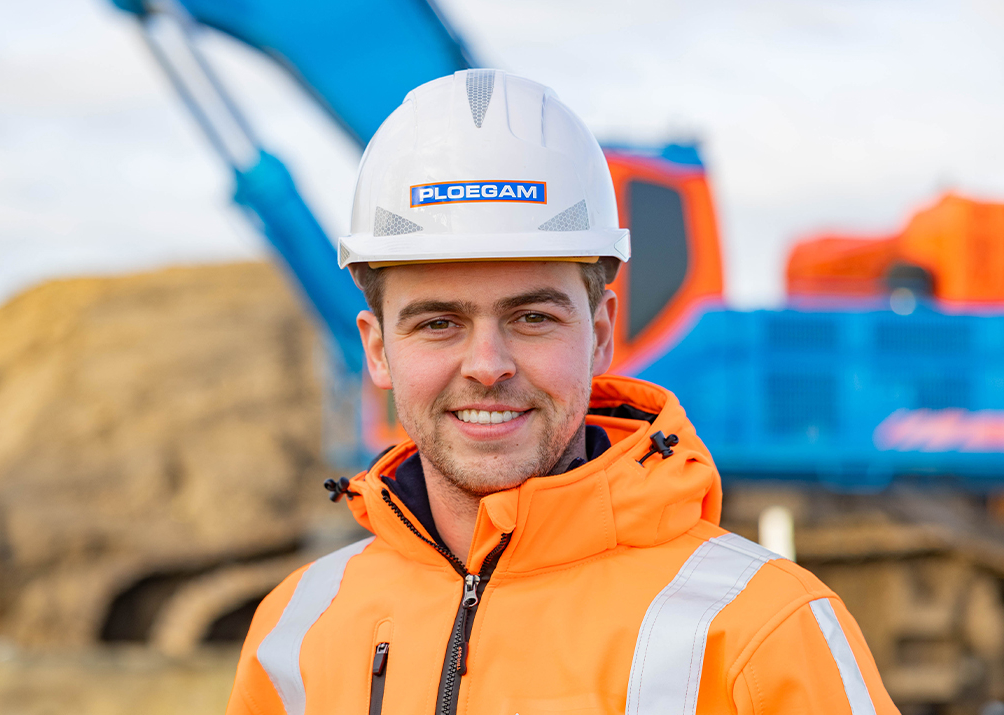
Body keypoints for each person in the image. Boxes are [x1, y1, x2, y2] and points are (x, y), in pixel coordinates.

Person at [225, 70, 896, 715]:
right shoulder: (294, 630)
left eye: (532, 318)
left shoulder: (758, 629)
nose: (487, 364)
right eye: (438, 323)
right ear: (376, 349)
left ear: (600, 333)